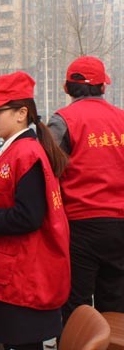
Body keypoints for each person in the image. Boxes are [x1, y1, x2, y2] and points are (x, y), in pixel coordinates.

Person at [0, 71, 70, 350]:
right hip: (16, 270)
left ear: (21, 113)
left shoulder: (26, 154)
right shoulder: (18, 150)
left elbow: (28, 216)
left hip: (23, 275)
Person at [47, 56, 124, 323]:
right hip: (120, 225)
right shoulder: (122, 119)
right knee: (115, 304)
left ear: (67, 88)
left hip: (80, 226)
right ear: (103, 87)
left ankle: (77, 341)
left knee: (75, 306)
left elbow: (47, 168)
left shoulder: (62, 120)